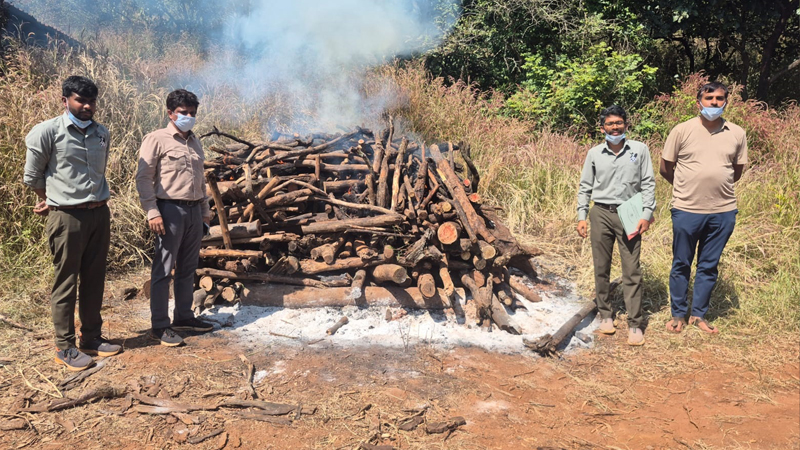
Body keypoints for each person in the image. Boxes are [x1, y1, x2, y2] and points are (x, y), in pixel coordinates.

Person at [23, 75, 122, 371]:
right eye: (81, 100)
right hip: (67, 217)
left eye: (92, 101)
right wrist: (50, 199)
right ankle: (64, 347)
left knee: (94, 278)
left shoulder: (101, 133)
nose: (87, 106)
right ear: (65, 100)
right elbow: (33, 176)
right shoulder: (47, 132)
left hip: (98, 214)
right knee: (66, 281)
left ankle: (91, 337)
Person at [660, 82, 747, 334]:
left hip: (723, 210)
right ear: (699, 102)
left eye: (719, 98)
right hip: (686, 209)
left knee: (708, 265)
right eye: (709, 98)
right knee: (681, 263)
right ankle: (678, 314)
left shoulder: (737, 133)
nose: (714, 103)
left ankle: (698, 315)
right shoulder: (682, 130)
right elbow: (665, 168)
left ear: (726, 102)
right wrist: (686, 188)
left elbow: (736, 171)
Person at [136, 89, 214, 347]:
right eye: (183, 112)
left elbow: (200, 181)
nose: (188, 117)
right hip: (169, 210)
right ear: (170, 113)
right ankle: (159, 326)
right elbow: (144, 178)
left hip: (194, 211)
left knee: (188, 268)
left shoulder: (195, 142)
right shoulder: (156, 139)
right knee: (163, 270)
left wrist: (204, 211)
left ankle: (183, 316)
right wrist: (152, 211)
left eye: (192, 113)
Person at [577, 105, 656, 346]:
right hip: (600, 212)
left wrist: (646, 214)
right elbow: (585, 186)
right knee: (601, 267)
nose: (615, 127)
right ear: (602, 127)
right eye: (610, 124)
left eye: (619, 123)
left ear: (626, 125)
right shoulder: (594, 153)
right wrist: (581, 216)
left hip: (629, 213)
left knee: (632, 270)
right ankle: (606, 316)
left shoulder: (639, 150)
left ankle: (635, 324)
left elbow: (648, 183)